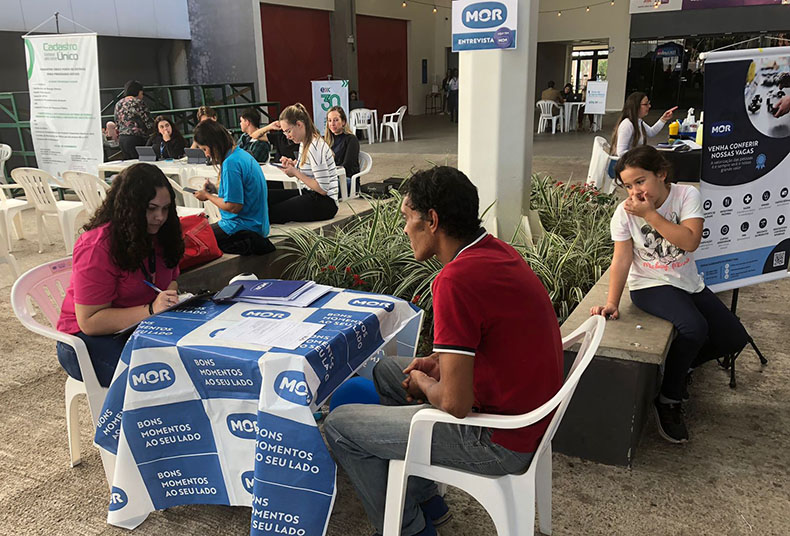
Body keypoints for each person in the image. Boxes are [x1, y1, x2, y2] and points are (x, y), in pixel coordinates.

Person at [324, 165, 563, 536]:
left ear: (432, 220)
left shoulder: (455, 279)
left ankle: (409, 529)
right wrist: (438, 363)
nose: (405, 229)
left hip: (500, 438)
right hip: (525, 413)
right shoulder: (494, 251)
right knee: (388, 372)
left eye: (407, 218)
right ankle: (426, 499)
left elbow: (455, 403)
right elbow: (494, 336)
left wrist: (425, 382)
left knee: (339, 426)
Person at [590, 146, 748, 443]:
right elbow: (621, 259)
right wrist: (612, 302)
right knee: (694, 327)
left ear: (661, 174)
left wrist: (650, 214)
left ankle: (681, 367)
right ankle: (668, 398)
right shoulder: (624, 213)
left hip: (687, 282)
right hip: (649, 285)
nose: (635, 192)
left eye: (640, 181)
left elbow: (689, 241)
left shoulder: (686, 196)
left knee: (734, 337)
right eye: (628, 186)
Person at [55, 164, 185, 387]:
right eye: (151, 208)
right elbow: (90, 322)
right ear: (130, 208)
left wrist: (169, 297)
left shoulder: (162, 235)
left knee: (193, 361)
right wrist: (151, 309)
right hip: (87, 341)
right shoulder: (97, 247)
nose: (160, 217)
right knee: (166, 378)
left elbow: (171, 278)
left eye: (166, 209)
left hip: (141, 327)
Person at [192, 120, 274, 256]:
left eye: (205, 149)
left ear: (214, 145)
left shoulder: (231, 163)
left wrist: (207, 196)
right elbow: (241, 192)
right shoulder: (241, 154)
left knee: (195, 239)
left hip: (243, 227)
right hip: (257, 224)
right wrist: (215, 190)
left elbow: (233, 206)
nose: (206, 155)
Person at [267, 103, 339, 224]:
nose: (288, 136)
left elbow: (322, 189)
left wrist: (295, 172)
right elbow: (309, 170)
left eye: (288, 131)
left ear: (299, 124)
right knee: (266, 196)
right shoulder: (304, 142)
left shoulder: (315, 146)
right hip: (309, 192)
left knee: (272, 212)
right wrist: (293, 164)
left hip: (325, 202)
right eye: (285, 133)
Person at [610, 92, 677, 157]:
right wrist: (642, 154)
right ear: (636, 106)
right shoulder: (627, 124)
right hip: (629, 162)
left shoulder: (638, 121)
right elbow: (621, 152)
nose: (649, 106)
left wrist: (663, 119)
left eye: (649, 103)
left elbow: (651, 132)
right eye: (646, 104)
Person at [114, 80, 154, 159]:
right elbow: (147, 121)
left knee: (129, 163)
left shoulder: (118, 103)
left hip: (122, 138)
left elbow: (117, 121)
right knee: (140, 162)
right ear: (139, 92)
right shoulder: (138, 102)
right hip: (136, 138)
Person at [324, 105, 360, 179]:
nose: (332, 124)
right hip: (331, 176)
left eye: (336, 120)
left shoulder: (351, 139)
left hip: (347, 178)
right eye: (329, 120)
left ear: (343, 122)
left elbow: (347, 166)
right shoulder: (328, 140)